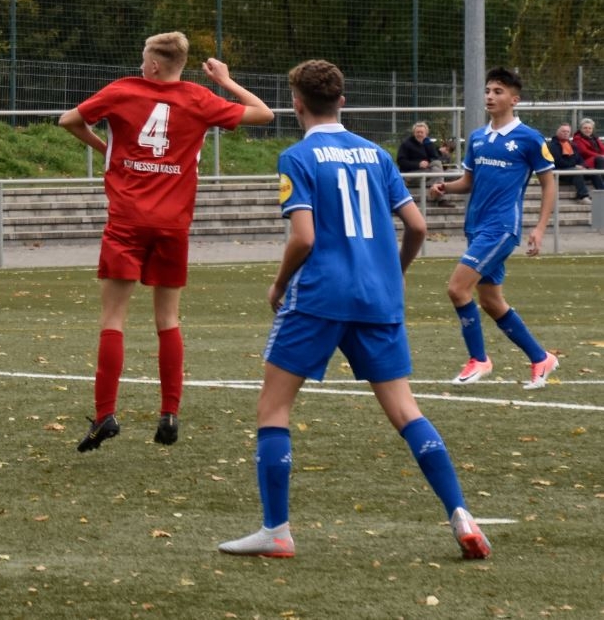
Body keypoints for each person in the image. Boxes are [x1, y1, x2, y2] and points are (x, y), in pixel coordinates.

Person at [218, 59, 490, 560]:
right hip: (377, 298)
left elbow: (303, 237)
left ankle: (276, 531)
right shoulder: (377, 155)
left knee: (273, 409)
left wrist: (278, 285)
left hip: (320, 296)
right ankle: (461, 513)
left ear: (297, 104)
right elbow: (419, 228)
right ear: (342, 100)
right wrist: (394, 274)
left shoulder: (297, 157)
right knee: (406, 411)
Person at [57, 31, 273, 453]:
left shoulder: (123, 89)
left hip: (127, 222)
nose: (141, 65)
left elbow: (69, 120)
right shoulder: (198, 98)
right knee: (168, 320)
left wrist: (105, 148)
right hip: (173, 225)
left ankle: (105, 415)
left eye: (144, 59)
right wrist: (225, 81)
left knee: (113, 319)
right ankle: (169, 413)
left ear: (154, 64)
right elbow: (263, 114)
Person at [429, 67, 559, 389]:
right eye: (488, 90)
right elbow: (469, 182)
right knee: (490, 301)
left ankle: (479, 360)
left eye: (498, 91)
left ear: (514, 99)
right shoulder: (477, 137)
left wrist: (540, 228)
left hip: (501, 228)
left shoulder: (529, 138)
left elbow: (549, 185)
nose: (490, 96)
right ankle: (541, 358)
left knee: (457, 289)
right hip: (476, 227)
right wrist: (446, 187)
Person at [546, 123, 593, 204]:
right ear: (558, 132)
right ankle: (583, 196)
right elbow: (558, 162)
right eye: (563, 131)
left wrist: (582, 165)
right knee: (576, 172)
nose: (565, 133)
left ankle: (601, 191)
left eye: (567, 132)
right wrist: (574, 166)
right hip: (560, 172)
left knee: (593, 172)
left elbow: (579, 158)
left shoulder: (572, 145)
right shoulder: (553, 146)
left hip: (572, 171)